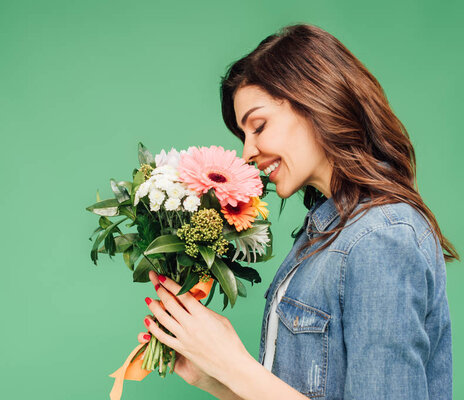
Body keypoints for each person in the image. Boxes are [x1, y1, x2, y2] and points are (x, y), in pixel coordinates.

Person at [137, 23, 458, 399]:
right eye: (243, 136)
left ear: (316, 100)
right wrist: (213, 377)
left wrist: (231, 363)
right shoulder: (322, 235)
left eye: (258, 126)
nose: (247, 154)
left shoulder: (381, 238)